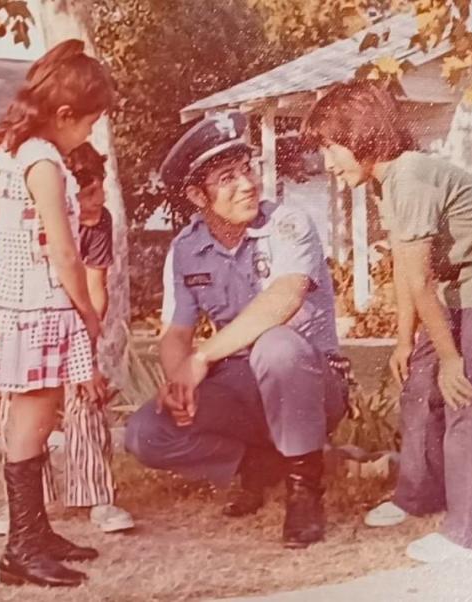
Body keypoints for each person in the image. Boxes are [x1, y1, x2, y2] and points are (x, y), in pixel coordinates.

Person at [301, 81, 472, 562]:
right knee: (418, 383)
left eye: (331, 147)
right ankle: (420, 495)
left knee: (462, 391)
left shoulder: (409, 179)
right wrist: (405, 341)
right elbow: (408, 273)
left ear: (363, 135)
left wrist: (453, 358)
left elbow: (423, 281)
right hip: (457, 278)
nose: (327, 163)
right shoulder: (386, 182)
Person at [123, 112, 349, 549]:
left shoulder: (287, 224)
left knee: (277, 344)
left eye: (247, 169)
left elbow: (283, 299)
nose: (247, 184)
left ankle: (304, 490)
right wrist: (178, 381)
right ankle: (259, 465)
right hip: (243, 389)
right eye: (227, 177)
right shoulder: (186, 250)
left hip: (312, 382)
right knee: (145, 432)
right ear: (196, 195)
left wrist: (201, 359)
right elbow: (175, 333)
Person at [0, 39, 114, 588]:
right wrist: (87, 312)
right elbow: (63, 250)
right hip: (39, 307)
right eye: (90, 122)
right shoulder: (45, 163)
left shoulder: (14, 149)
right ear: (63, 114)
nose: (91, 135)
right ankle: (21, 548)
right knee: (30, 427)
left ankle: (36, 531)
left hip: (22, 304)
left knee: (39, 417)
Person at [0, 143, 135, 536]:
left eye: (100, 188)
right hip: (31, 323)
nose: (98, 199)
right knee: (19, 414)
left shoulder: (99, 222)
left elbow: (95, 288)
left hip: (75, 325)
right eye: (87, 193)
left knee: (85, 400)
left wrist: (85, 354)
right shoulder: (37, 225)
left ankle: (99, 498)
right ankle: (23, 505)